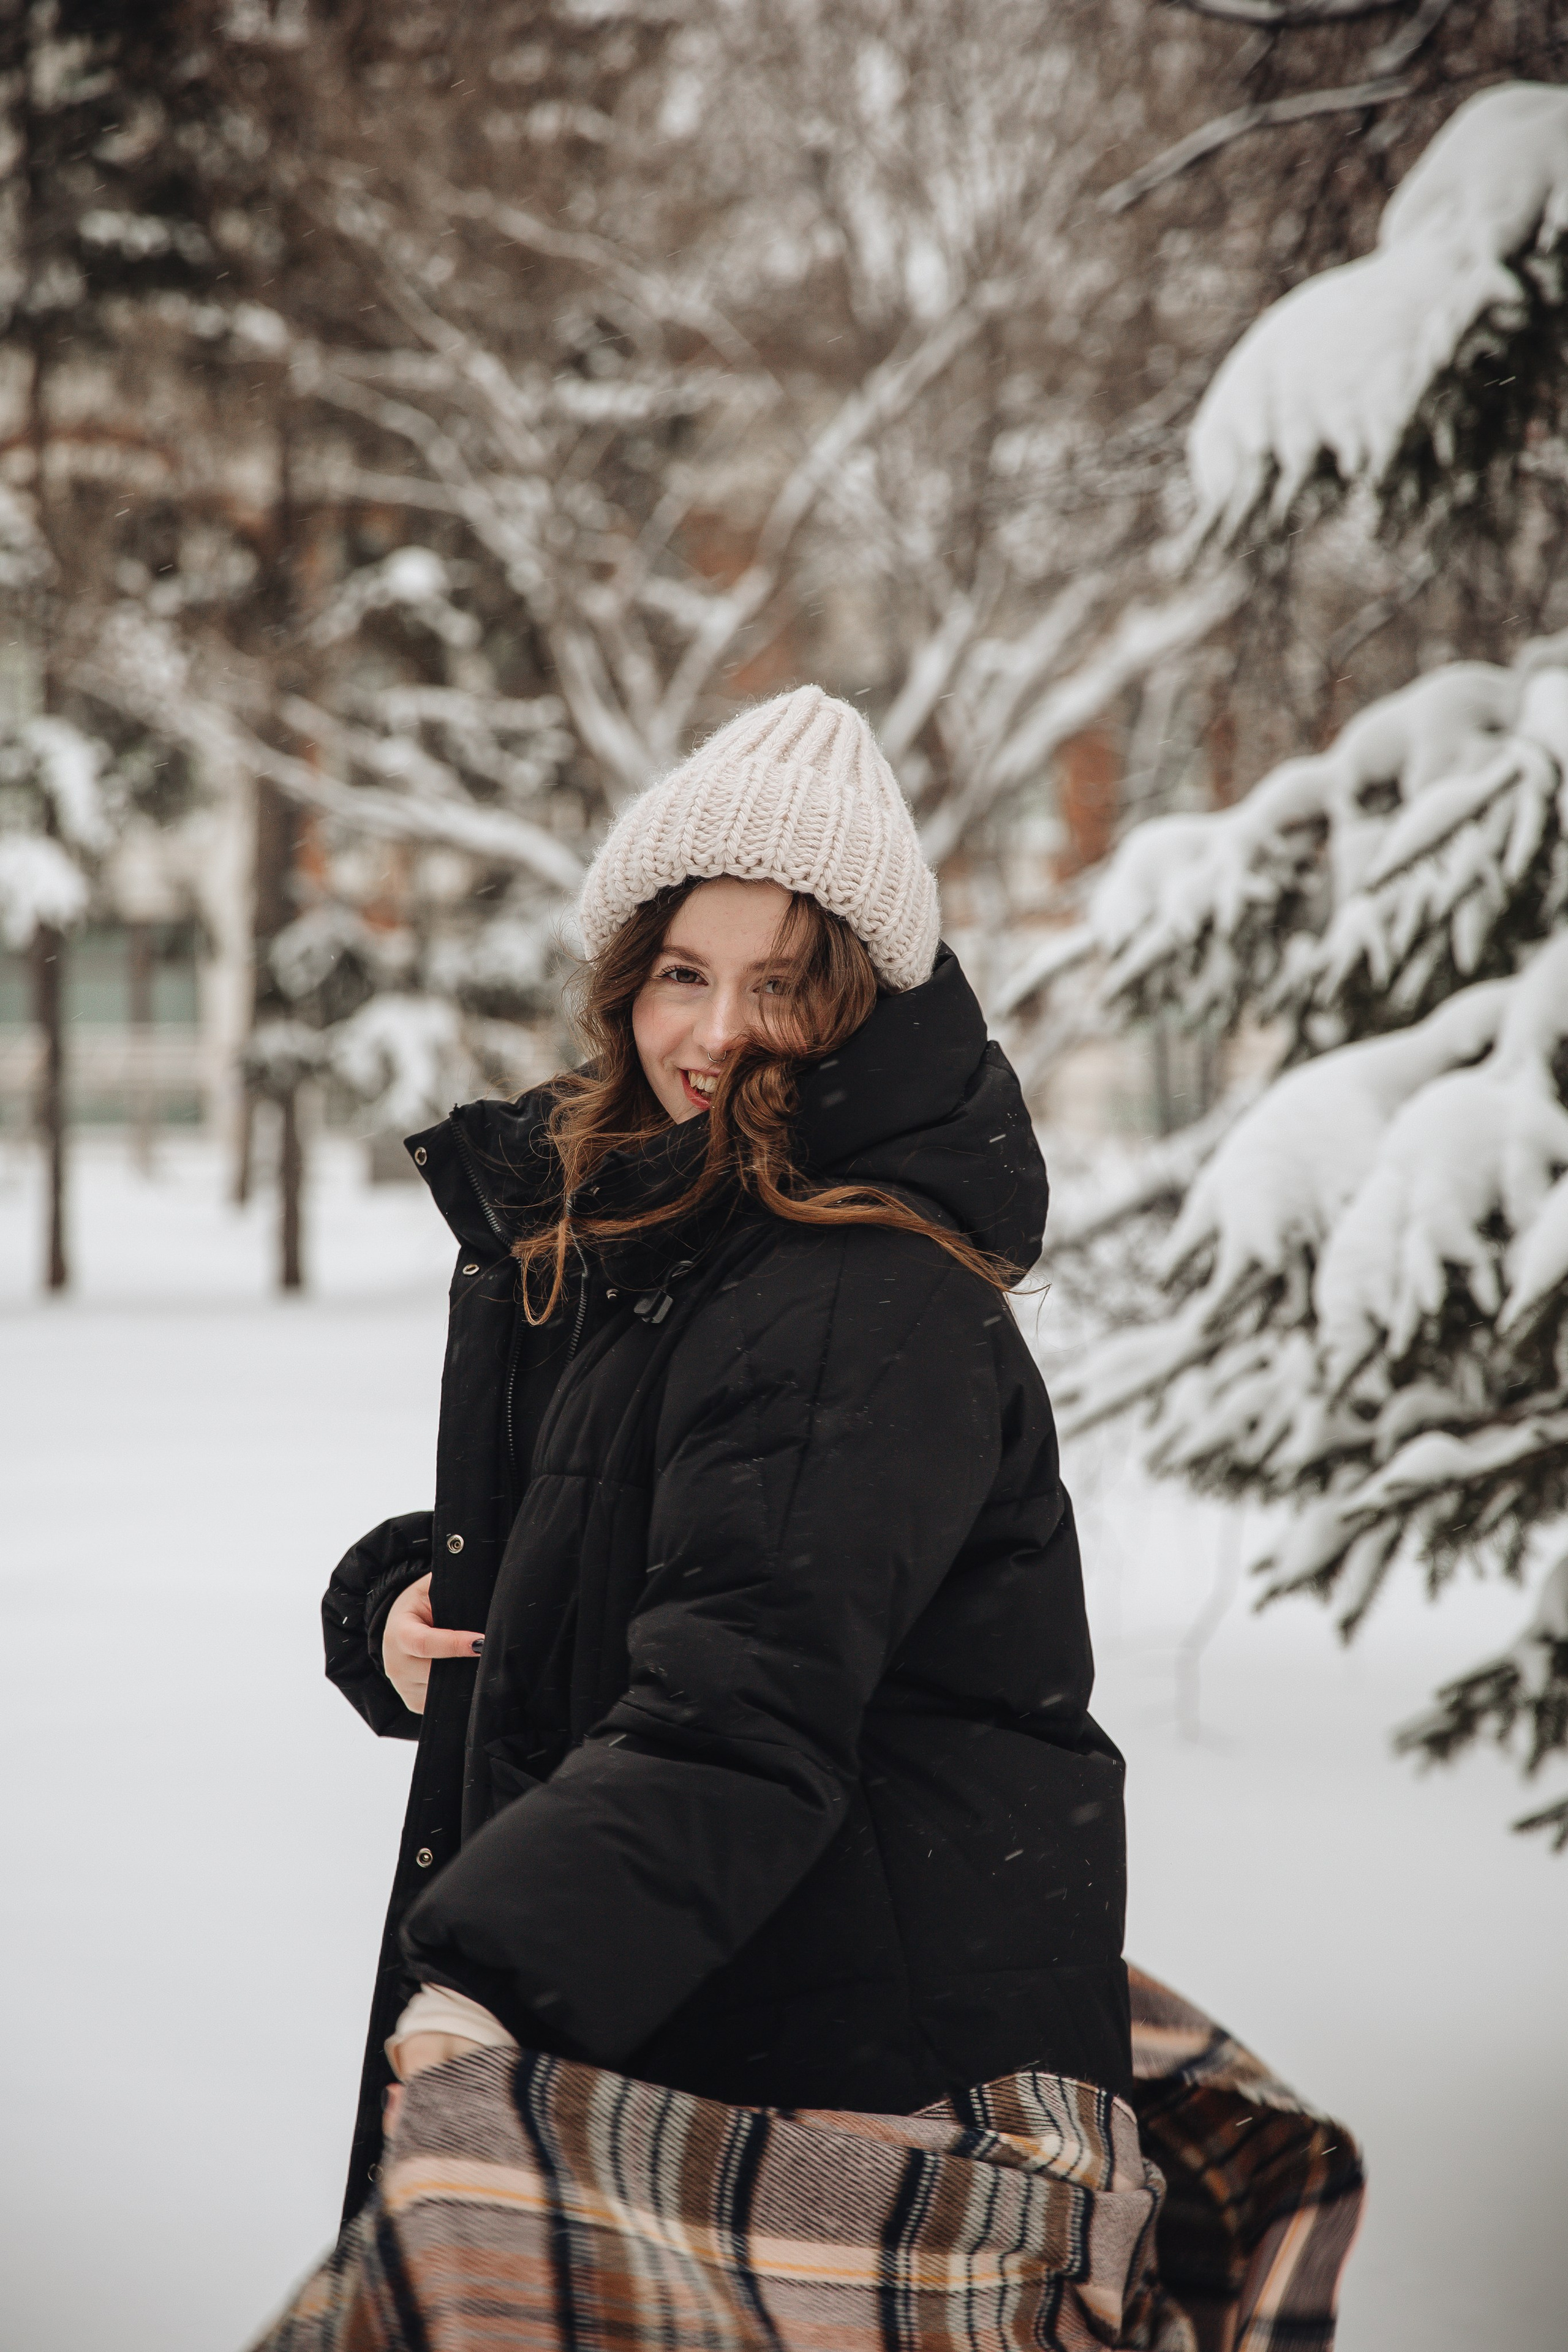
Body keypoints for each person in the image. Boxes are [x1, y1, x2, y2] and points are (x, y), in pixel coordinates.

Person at [321, 682, 1130, 2233]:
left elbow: (740, 1701)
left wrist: (489, 1975)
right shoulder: (678, 1230)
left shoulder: (855, 1289)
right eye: (680, 971)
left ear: (862, 1005)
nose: (712, 1031)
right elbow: (632, 1528)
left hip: (836, 2066)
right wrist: (402, 1604)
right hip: (708, 1983)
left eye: (779, 983)